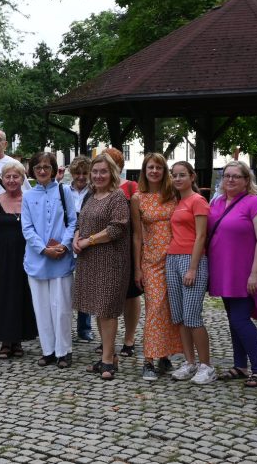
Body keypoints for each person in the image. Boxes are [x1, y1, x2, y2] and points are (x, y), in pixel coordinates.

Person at [209, 160, 257, 388]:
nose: (230, 180)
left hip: (245, 271)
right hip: (223, 270)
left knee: (240, 320)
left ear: (247, 180)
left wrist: (255, 274)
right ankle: (240, 365)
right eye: (227, 176)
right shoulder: (217, 203)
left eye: (236, 176)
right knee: (233, 320)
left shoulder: (256, 203)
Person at [72, 153, 130, 380]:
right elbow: (80, 221)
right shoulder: (90, 194)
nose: (98, 176)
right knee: (97, 308)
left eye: (103, 171)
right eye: (95, 172)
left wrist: (88, 240)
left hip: (110, 261)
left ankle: (108, 361)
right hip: (89, 261)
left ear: (112, 173)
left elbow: (117, 228)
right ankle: (109, 354)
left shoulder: (117, 197)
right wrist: (77, 237)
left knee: (107, 310)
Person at [22, 152, 77, 369]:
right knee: (41, 307)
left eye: (46, 167)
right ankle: (48, 350)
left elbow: (72, 222)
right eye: (38, 167)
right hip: (37, 259)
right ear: (32, 170)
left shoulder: (64, 192)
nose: (43, 171)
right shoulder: (28, 196)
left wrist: (63, 245)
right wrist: (43, 249)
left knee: (61, 307)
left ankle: (64, 350)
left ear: (53, 169)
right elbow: (26, 228)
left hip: (61, 258)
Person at [131, 153, 182, 381]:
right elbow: (136, 235)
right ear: (144, 170)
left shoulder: (173, 195)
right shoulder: (138, 198)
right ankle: (148, 360)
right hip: (151, 260)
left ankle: (165, 355)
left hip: (174, 258)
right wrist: (137, 268)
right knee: (155, 308)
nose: (154, 171)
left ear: (164, 171)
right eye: (150, 167)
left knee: (170, 308)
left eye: (159, 168)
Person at [0, 159, 37, 359]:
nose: (12, 180)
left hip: (25, 256)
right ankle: (5, 341)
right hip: (0, 257)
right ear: (2, 179)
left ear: (23, 179)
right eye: (8, 177)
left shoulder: (30, 200)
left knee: (22, 295)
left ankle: (18, 339)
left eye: (16, 176)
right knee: (3, 297)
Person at [165, 162, 215, 384]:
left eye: (182, 175)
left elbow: (201, 236)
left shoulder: (197, 201)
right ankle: (189, 362)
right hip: (172, 258)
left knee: (193, 315)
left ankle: (206, 366)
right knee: (179, 316)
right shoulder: (177, 202)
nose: (177, 179)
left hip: (191, 259)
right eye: (174, 175)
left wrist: (193, 268)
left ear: (192, 177)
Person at [104, 147, 140, 359]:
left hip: (127, 246)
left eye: (112, 163)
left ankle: (129, 338)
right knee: (106, 295)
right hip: (105, 248)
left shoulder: (131, 187)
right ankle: (107, 341)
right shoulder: (98, 187)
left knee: (131, 294)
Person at [66, 156, 94, 343]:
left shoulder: (93, 193)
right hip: (67, 241)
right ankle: (63, 326)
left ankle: (84, 328)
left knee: (85, 287)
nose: (81, 177)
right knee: (65, 287)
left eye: (85, 173)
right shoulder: (64, 191)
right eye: (78, 173)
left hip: (86, 242)